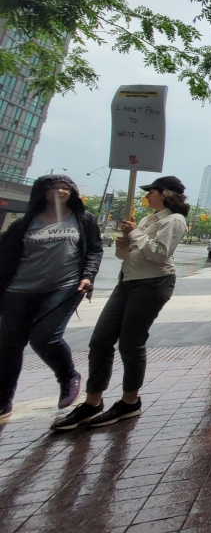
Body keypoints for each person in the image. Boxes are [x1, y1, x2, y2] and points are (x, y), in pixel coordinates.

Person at [53, 176, 188, 430]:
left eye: (151, 192)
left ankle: (129, 402)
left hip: (153, 283)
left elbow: (159, 255)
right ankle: (93, 402)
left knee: (130, 343)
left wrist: (134, 234)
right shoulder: (149, 219)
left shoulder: (174, 220)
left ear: (166, 194)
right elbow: (128, 254)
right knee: (101, 339)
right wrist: (124, 244)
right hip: (127, 281)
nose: (146, 196)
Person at [0, 174, 103, 423]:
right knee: (9, 346)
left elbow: (94, 250)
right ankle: (3, 400)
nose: (59, 192)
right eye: (53, 188)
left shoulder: (83, 220)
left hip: (64, 287)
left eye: (65, 188)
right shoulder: (25, 222)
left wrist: (88, 276)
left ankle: (68, 376)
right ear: (42, 192)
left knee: (45, 337)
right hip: (19, 290)